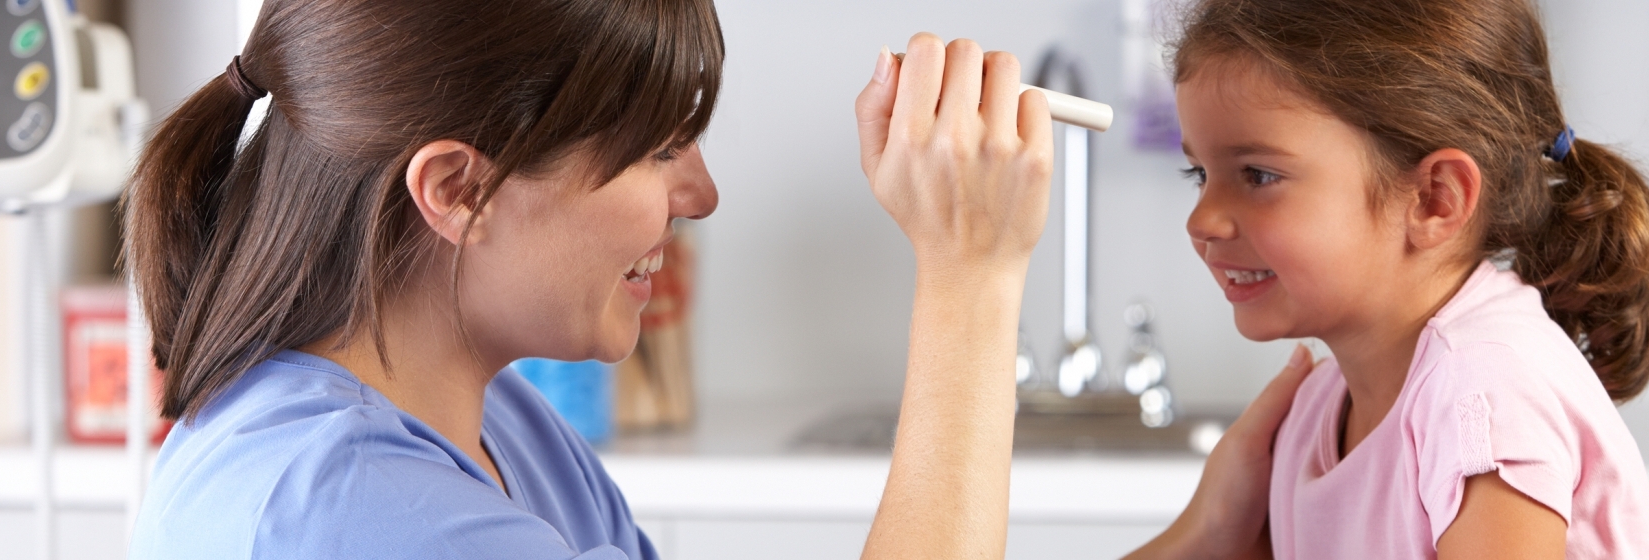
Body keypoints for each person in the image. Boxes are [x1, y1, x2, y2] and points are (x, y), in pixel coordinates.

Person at [124, 0, 1083, 557]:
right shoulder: (344, 508)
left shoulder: (502, 427)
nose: (701, 194)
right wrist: (972, 276)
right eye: (661, 148)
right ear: (460, 189)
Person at [1128, 0, 1649, 558]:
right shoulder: (1316, 413)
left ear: (1434, 198)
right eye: (1201, 173)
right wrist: (1210, 530)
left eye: (1259, 174)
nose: (1201, 220)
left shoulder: (1484, 390)